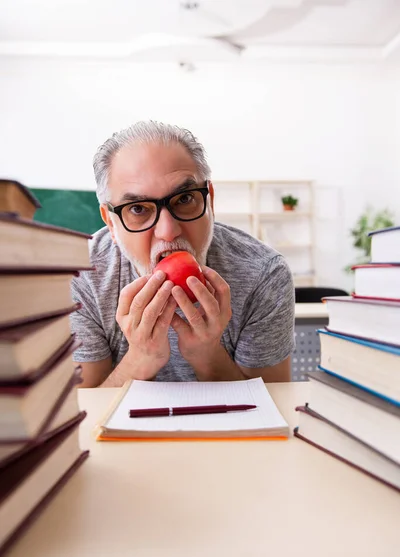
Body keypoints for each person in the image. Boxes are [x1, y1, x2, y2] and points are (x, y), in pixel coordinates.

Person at [70, 121, 295, 387]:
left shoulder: (264, 275)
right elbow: (83, 414)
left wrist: (206, 355)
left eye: (185, 199)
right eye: (138, 209)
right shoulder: (81, 274)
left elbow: (271, 407)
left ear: (209, 200)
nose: (168, 231)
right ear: (110, 220)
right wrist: (141, 358)